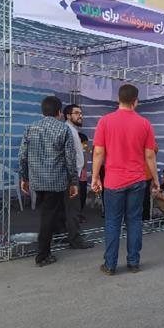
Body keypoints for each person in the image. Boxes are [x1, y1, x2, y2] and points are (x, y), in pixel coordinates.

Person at [92, 84, 158, 275]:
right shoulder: (145, 124)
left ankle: (110, 265)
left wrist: (95, 177)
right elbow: (150, 155)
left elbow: (98, 152)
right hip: (137, 180)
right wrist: (155, 179)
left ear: (118, 99)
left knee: (112, 222)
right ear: (135, 102)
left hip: (113, 181)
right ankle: (134, 263)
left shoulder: (105, 121)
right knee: (134, 221)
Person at [19, 96, 81, 267]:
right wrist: (74, 182)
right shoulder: (63, 129)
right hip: (56, 181)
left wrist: (24, 178)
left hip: (37, 180)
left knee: (47, 214)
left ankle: (48, 247)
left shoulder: (30, 128)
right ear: (59, 112)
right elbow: (70, 159)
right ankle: (43, 255)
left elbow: (22, 156)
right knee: (48, 216)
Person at [62, 104, 94, 249]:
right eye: (76, 113)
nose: (80, 116)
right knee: (73, 209)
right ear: (68, 116)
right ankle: (75, 239)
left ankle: (68, 236)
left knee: (70, 209)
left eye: (81, 113)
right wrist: (73, 178)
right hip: (71, 176)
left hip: (73, 174)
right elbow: (69, 156)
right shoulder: (68, 130)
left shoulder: (73, 130)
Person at [142, 142, 159, 221]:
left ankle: (143, 219)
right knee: (146, 198)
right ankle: (145, 219)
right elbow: (155, 151)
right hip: (146, 175)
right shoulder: (149, 141)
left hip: (140, 175)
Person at [78, 133, 89, 215]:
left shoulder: (82, 151)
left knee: (83, 196)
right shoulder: (79, 153)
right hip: (80, 178)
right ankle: (79, 213)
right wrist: (86, 153)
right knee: (81, 196)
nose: (86, 145)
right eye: (84, 143)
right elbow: (84, 165)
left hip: (83, 178)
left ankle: (80, 213)